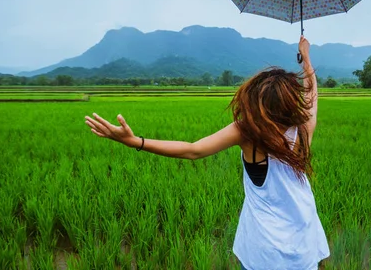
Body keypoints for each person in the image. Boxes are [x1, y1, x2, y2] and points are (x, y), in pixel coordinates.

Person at [84, 36, 330, 270]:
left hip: (263, 250)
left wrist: (135, 141)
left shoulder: (247, 132)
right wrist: (306, 59)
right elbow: (312, 94)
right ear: (290, 103)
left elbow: (193, 150)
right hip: (304, 245)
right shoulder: (304, 127)